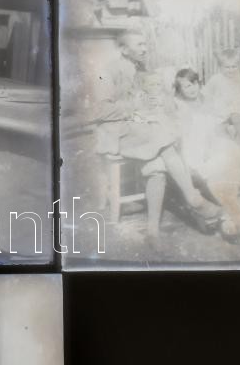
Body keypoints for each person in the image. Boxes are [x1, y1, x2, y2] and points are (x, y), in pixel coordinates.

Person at [91, 30, 220, 238]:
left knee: (157, 165)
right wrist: (134, 106)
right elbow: (100, 111)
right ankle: (193, 198)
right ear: (124, 50)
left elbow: (149, 99)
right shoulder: (107, 72)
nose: (145, 49)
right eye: (139, 45)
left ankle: (152, 230)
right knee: (164, 138)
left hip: (138, 131)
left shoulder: (140, 70)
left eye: (145, 44)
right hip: (115, 132)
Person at [174, 68, 240, 245]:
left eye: (194, 83)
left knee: (229, 150)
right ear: (180, 90)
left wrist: (222, 142)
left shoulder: (209, 102)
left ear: (199, 83)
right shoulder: (179, 106)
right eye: (186, 86)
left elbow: (219, 129)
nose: (192, 89)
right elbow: (183, 137)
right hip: (194, 150)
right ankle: (237, 218)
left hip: (212, 145)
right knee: (217, 166)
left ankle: (228, 218)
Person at [203, 48, 240, 148]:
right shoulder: (216, 79)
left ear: (238, 66)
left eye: (234, 67)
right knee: (219, 127)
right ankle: (231, 146)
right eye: (227, 67)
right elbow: (206, 94)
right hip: (220, 111)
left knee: (236, 116)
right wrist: (209, 106)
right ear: (220, 67)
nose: (231, 70)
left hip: (237, 109)